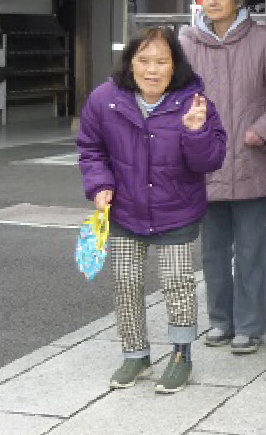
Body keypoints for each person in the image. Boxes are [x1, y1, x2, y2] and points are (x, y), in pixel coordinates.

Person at [77, 26, 227, 395]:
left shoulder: (194, 101)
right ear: (130, 63)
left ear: (175, 65)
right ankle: (135, 353)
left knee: (178, 284)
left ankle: (180, 356)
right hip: (125, 211)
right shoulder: (104, 99)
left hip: (176, 209)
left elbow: (212, 159)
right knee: (126, 283)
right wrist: (100, 185)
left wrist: (195, 132)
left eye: (162, 61)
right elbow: (90, 148)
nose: (152, 69)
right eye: (143, 60)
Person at [179, 0, 266, 354]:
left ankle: (249, 326)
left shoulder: (262, 39)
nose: (211, 0)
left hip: (251, 158)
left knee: (250, 250)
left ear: (239, 1)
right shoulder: (187, 42)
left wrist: (264, 129)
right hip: (205, 161)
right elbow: (177, 95)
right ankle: (220, 321)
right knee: (212, 252)